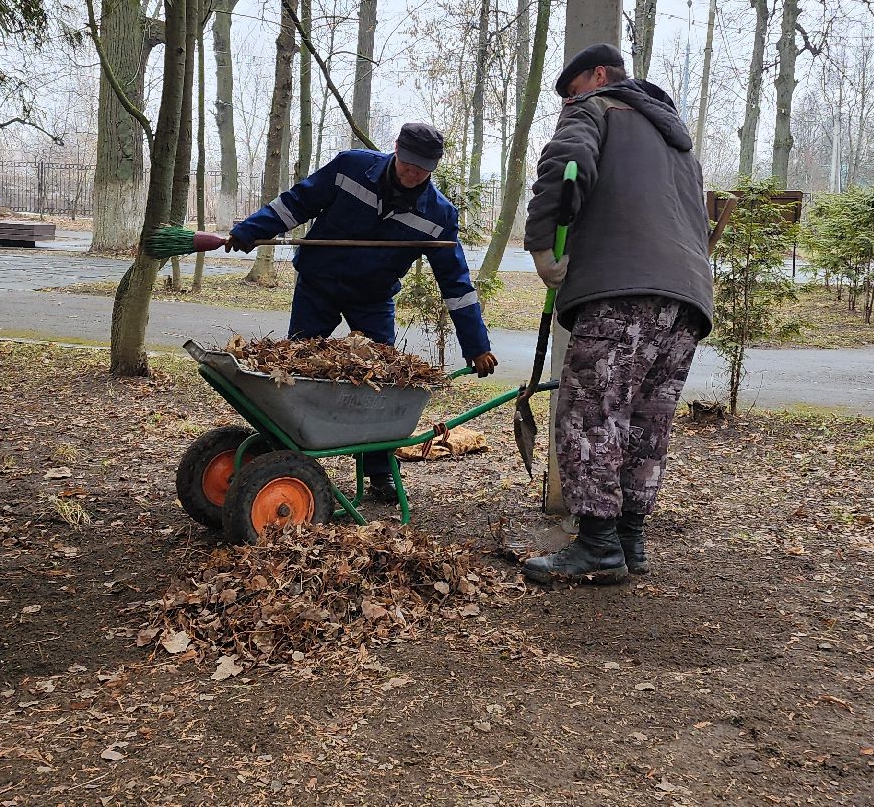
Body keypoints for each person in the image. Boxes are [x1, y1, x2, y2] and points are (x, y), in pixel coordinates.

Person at [520, 43, 713, 584]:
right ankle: (630, 541)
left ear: (599, 75)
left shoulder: (597, 108)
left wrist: (544, 247)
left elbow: (568, 168)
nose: (569, 101)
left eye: (572, 88)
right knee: (647, 421)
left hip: (622, 291)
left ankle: (598, 546)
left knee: (591, 412)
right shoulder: (676, 141)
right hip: (687, 300)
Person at [228, 123, 498, 503]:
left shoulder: (438, 215)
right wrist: (252, 230)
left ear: (434, 167)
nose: (412, 172)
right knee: (296, 372)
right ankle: (284, 455)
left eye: (423, 167)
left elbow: (456, 284)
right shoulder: (350, 168)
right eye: (408, 162)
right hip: (317, 286)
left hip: (372, 300)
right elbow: (296, 202)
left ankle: (380, 472)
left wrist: (476, 345)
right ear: (395, 149)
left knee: (383, 387)